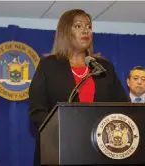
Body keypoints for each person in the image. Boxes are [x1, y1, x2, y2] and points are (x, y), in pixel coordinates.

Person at [28, 9, 128, 166]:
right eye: (78, 26)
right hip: (59, 149)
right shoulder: (49, 65)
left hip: (100, 151)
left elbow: (123, 106)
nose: (85, 30)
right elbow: (37, 111)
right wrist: (63, 132)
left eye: (88, 26)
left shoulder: (103, 66)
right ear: (65, 32)